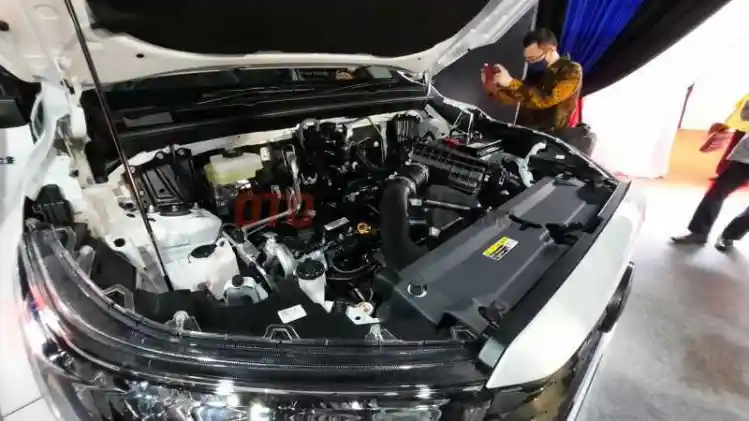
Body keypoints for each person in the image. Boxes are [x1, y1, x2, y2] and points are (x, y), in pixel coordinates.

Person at [480, 28, 583, 133]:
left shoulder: (572, 70)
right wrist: (493, 86)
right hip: (529, 129)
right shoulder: (539, 73)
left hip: (552, 135)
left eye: (534, 58)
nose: (531, 63)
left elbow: (544, 99)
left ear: (551, 49)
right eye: (528, 59)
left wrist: (510, 82)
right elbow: (517, 97)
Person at [672, 131, 749, 251]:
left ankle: (730, 236)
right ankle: (699, 232)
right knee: (717, 192)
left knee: (717, 192)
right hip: (745, 159)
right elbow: (742, 119)